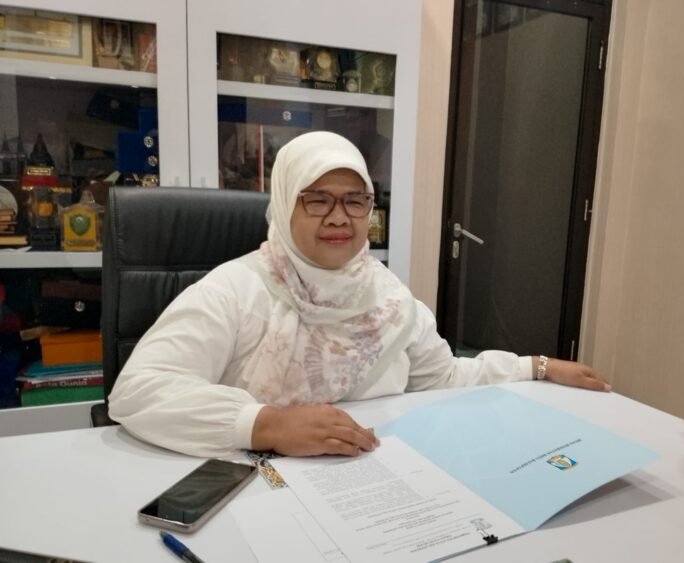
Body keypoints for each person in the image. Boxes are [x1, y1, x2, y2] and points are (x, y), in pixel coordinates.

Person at [109, 131, 610, 458]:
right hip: (257, 488)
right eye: (317, 199)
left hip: (367, 489)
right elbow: (138, 390)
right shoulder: (235, 290)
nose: (339, 218)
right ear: (284, 204)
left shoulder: (389, 300)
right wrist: (266, 425)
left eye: (355, 201)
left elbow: (442, 379)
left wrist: (537, 367)